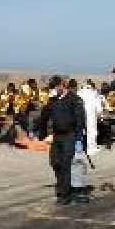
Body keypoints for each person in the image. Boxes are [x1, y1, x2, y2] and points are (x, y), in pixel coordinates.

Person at [39, 77, 87, 205]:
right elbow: (44, 117)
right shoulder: (52, 101)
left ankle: (64, 195)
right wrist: (41, 133)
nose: (54, 89)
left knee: (66, 164)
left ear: (62, 85)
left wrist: (78, 138)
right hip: (57, 136)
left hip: (69, 136)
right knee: (55, 162)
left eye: (55, 86)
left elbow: (80, 118)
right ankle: (63, 187)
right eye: (52, 87)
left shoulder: (74, 99)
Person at [77, 79, 104, 152]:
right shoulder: (94, 92)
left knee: (80, 130)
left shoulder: (79, 92)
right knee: (91, 130)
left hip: (80, 113)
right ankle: (91, 148)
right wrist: (99, 113)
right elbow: (98, 104)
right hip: (91, 112)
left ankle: (79, 148)